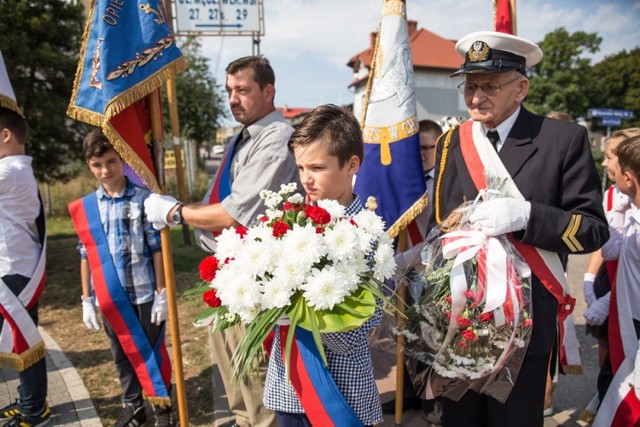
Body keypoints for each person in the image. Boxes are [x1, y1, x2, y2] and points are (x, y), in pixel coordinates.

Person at [431, 31, 609, 427]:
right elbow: (438, 226)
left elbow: (594, 230)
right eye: (470, 86)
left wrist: (529, 217)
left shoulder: (563, 140)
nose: (476, 98)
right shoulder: (453, 142)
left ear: (521, 87)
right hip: (461, 321)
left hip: (525, 324)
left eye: (489, 86)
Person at [145, 55, 297, 427]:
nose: (233, 99)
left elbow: (231, 213)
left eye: (243, 90)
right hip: (228, 276)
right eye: (229, 90)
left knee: (258, 386)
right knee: (234, 383)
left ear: (268, 91)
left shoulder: (277, 138)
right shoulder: (240, 139)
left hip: (256, 281)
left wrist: (175, 212)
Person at [263, 103, 383, 427]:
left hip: (340, 393)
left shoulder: (368, 236)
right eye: (301, 168)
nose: (306, 180)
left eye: (316, 168)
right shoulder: (290, 221)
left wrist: (299, 311)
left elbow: (356, 336)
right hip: (290, 386)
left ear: (351, 164)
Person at [68, 129, 173, 427]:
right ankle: (134, 406)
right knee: (121, 355)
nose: (106, 170)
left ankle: (162, 408)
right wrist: (86, 298)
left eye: (111, 162)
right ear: (89, 165)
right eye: (97, 164)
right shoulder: (88, 208)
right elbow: (85, 255)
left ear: (122, 160)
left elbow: (156, 250)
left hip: (143, 294)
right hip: (109, 298)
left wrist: (161, 292)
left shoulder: (143, 200)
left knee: (153, 350)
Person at [0, 55, 50, 427]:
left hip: (13, 271)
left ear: (5, 136)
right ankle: (28, 402)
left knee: (25, 342)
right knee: (20, 341)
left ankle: (35, 410)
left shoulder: (10, 171)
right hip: (12, 267)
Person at [384, 119, 444, 422]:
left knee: (432, 337)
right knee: (404, 333)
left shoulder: (444, 182)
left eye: (426, 147)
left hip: (432, 270)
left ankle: (433, 400)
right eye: (414, 148)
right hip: (403, 273)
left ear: (439, 146)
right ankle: (408, 390)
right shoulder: (402, 184)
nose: (420, 154)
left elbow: (440, 233)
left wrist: (404, 258)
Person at [582, 128, 640, 407]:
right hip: (623, 308)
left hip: (633, 320)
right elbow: (613, 250)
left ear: (628, 174)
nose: (605, 165)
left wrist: (607, 299)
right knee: (611, 377)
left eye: (610, 157)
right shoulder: (624, 208)